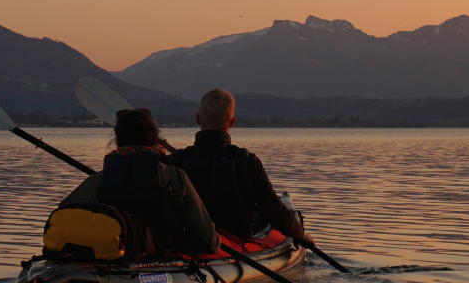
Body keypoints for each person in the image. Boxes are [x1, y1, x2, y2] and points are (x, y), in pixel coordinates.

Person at [170, 88, 310, 243]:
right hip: (240, 234)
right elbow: (272, 209)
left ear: (197, 118)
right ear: (232, 122)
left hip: (189, 238)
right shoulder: (247, 161)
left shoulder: (175, 161)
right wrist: (300, 234)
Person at [91, 108, 219, 255]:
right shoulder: (175, 176)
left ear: (117, 140)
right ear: (154, 137)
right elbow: (209, 242)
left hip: (114, 252)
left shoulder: (102, 178)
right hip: (160, 255)